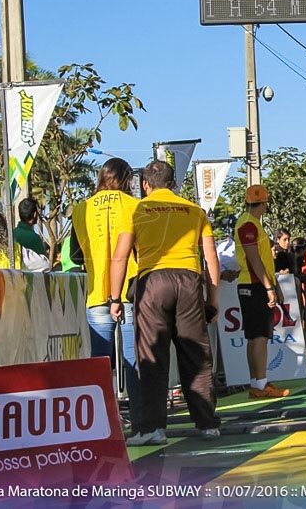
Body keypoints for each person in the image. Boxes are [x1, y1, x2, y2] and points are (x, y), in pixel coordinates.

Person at [109, 160, 221, 446]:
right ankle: (207, 424)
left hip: (153, 283)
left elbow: (120, 257)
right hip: (189, 281)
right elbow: (211, 258)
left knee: (152, 356)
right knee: (196, 354)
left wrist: (115, 298)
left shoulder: (136, 210)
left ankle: (153, 429)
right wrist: (213, 299)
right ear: (173, 184)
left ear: (145, 185)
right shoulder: (196, 211)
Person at [68, 158, 142, 434]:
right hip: (130, 291)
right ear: (126, 179)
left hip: (97, 293)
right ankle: (139, 420)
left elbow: (75, 254)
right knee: (133, 358)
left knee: (101, 361)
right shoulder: (135, 206)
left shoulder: (80, 209)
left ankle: (102, 423)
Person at [234, 184, 291, 399]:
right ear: (264, 204)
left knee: (256, 336)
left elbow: (262, 260)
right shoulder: (248, 224)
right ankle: (260, 384)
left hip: (256, 283)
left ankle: (258, 382)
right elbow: (254, 259)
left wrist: (274, 285)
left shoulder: (251, 224)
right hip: (253, 285)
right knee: (259, 337)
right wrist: (269, 287)